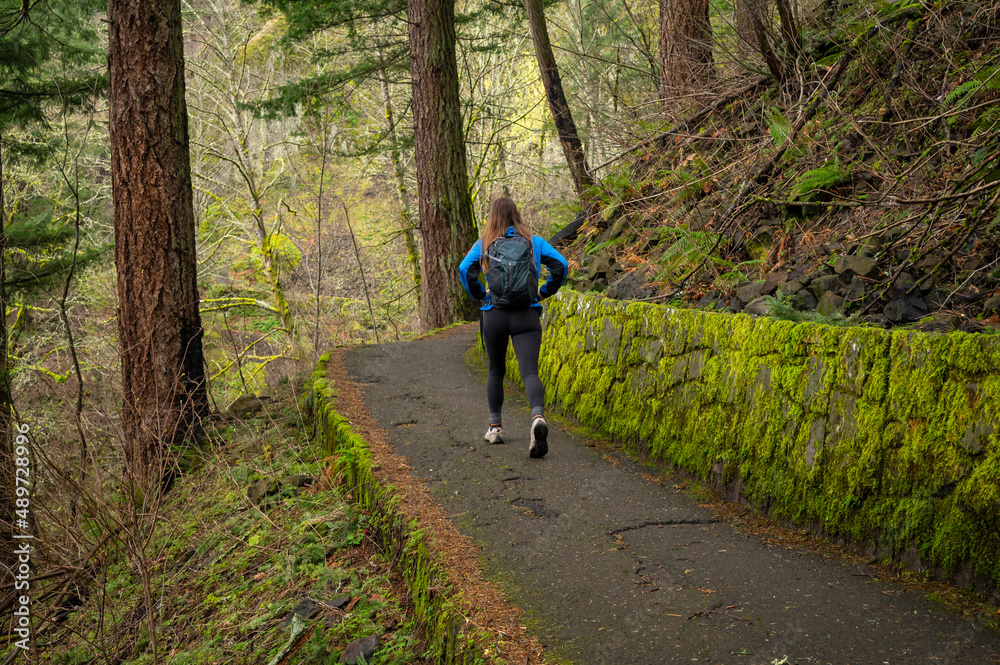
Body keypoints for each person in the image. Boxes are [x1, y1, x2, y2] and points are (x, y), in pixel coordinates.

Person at [458, 196, 569, 458]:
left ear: (493, 217)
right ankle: (537, 418)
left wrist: (480, 295)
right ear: (516, 215)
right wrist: (544, 292)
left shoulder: (485, 243)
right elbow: (561, 266)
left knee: (496, 370)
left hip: (494, 315)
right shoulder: (533, 241)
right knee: (529, 371)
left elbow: (465, 269)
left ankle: (495, 428)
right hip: (526, 315)